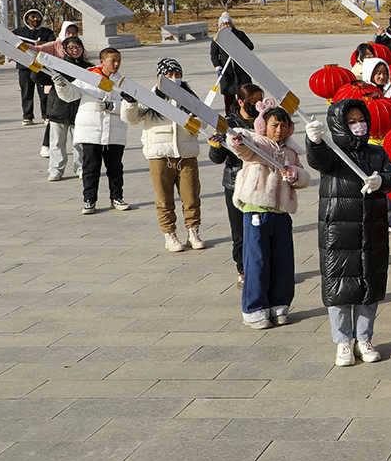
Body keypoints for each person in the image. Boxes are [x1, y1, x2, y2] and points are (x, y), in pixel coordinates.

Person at [304, 99, 391, 366]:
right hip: (338, 227)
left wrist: (381, 180)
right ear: (339, 125)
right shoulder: (333, 152)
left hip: (372, 228)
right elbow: (318, 160)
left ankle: (364, 338)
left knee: (370, 285)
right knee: (339, 286)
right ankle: (343, 342)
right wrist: (314, 141)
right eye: (351, 121)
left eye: (361, 120)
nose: (358, 125)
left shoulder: (376, 153)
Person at [226, 101, 307, 329]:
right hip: (256, 212)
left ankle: (279, 305)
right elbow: (241, 145)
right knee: (258, 262)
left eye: (283, 125)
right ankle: (255, 309)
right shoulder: (257, 142)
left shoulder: (290, 151)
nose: (279, 130)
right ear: (264, 126)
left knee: (283, 263)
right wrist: (236, 138)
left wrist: (296, 175)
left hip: (281, 213)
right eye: (274, 125)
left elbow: (304, 178)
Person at [122, 58, 205, 253]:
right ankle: (170, 234)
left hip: (186, 154)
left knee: (191, 196)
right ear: (161, 77)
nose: (174, 78)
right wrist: (130, 103)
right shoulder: (150, 97)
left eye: (177, 75)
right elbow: (131, 119)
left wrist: (195, 122)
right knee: (164, 198)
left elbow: (204, 122)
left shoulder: (190, 98)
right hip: (160, 155)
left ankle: (193, 231)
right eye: (169, 75)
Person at [55, 46, 129, 215]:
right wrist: (61, 85)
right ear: (102, 61)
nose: (116, 64)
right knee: (91, 168)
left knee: (115, 168)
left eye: (119, 61)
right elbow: (70, 95)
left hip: (114, 132)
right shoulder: (88, 77)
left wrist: (112, 106)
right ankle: (89, 200)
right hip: (91, 132)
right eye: (113, 61)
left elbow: (130, 105)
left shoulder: (123, 82)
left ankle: (117, 197)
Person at [208, 83, 265, 284]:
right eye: (253, 101)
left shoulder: (265, 120)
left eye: (260, 100)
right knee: (239, 231)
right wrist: (216, 146)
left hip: (261, 183)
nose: (258, 104)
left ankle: (264, 267)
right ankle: (242, 268)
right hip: (235, 183)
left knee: (263, 229)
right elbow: (217, 158)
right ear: (240, 102)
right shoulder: (227, 123)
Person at [41, 34, 88, 182]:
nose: (75, 50)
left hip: (80, 110)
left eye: (77, 47)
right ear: (65, 50)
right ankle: (56, 170)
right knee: (56, 143)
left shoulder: (89, 67)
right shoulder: (57, 65)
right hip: (58, 109)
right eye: (71, 47)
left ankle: (81, 168)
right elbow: (38, 78)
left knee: (79, 143)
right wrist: (36, 68)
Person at [14, 7, 54, 125]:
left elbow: (53, 45)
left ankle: (46, 115)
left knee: (44, 93)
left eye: (37, 16)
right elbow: (10, 44)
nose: (36, 19)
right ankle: (27, 116)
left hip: (41, 67)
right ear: (27, 18)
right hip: (24, 66)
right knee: (26, 92)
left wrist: (43, 45)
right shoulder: (18, 32)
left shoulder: (47, 32)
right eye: (33, 17)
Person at [210, 12, 254, 102]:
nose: (226, 26)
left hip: (241, 69)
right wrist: (217, 66)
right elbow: (213, 54)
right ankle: (230, 114)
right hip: (226, 70)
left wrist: (239, 47)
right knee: (229, 94)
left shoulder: (239, 34)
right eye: (223, 24)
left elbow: (250, 46)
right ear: (220, 26)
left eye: (228, 23)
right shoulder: (217, 38)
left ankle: (246, 111)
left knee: (245, 92)